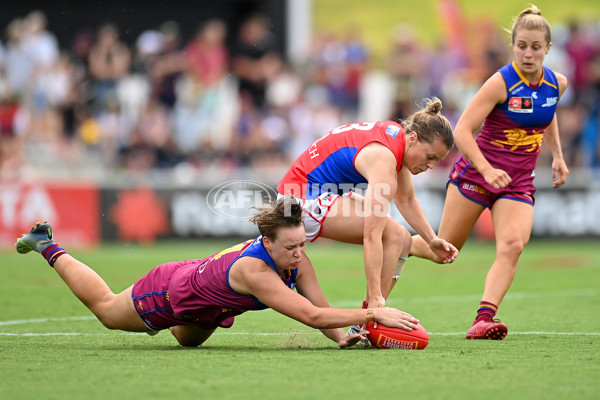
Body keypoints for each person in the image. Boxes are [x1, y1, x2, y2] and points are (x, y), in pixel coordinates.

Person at [15, 196, 418, 348]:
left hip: (207, 306)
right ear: (268, 243)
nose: (300, 253)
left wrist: (342, 338)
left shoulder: (295, 258)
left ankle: (192, 319)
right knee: (106, 311)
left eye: (303, 244)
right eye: (291, 247)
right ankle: (47, 243)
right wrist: (371, 313)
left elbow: (320, 306)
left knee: (188, 344)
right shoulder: (256, 271)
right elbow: (309, 316)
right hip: (170, 292)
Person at [410, 6, 569, 340]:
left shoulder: (558, 83)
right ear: (513, 46)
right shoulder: (500, 83)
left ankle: (483, 318)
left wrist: (557, 155)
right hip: (475, 175)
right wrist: (487, 169)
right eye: (522, 45)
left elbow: (547, 111)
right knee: (445, 251)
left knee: (512, 245)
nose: (528, 53)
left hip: (517, 183)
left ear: (548, 49)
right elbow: (463, 130)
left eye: (536, 47)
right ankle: (400, 242)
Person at [277, 97, 459, 321]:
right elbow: (372, 235)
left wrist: (432, 239)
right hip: (295, 202)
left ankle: (412, 249)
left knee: (397, 234)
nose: (431, 166)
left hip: (316, 193)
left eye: (437, 161)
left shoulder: (397, 137)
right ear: (413, 138)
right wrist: (374, 296)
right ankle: (371, 316)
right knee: (391, 233)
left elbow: (407, 199)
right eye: (429, 157)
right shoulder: (384, 160)